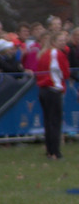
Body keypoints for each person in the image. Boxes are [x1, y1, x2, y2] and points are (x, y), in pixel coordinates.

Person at [36, 30, 69, 160]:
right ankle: (56, 152)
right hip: (53, 89)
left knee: (48, 121)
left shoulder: (44, 53)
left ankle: (50, 151)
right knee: (55, 122)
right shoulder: (58, 54)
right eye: (61, 40)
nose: (63, 43)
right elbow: (65, 73)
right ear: (54, 41)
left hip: (43, 90)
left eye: (64, 40)